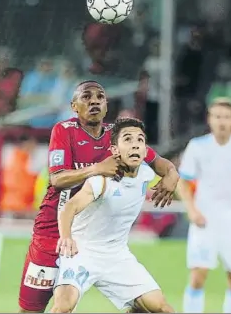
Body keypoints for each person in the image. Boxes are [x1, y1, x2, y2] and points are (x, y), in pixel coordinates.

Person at [18, 80, 179, 313]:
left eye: (100, 97)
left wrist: (172, 174)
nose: (94, 100)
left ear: (106, 106)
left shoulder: (119, 138)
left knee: (148, 306)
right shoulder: (64, 131)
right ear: (74, 106)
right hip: (53, 231)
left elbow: (157, 162)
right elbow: (57, 179)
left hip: (97, 240)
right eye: (86, 96)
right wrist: (95, 168)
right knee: (32, 309)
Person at [51, 117, 175, 313]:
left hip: (117, 255)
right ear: (115, 150)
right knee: (63, 307)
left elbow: (166, 167)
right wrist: (66, 237)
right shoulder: (102, 180)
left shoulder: (147, 175)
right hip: (83, 251)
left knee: (162, 308)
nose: (135, 145)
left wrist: (172, 175)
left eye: (140, 140)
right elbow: (70, 207)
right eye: (128, 139)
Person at [177, 98, 231, 313]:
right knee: (198, 275)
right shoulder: (198, 146)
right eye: (217, 116)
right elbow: (183, 181)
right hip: (204, 221)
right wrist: (192, 210)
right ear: (210, 119)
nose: (222, 121)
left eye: (226, 117)